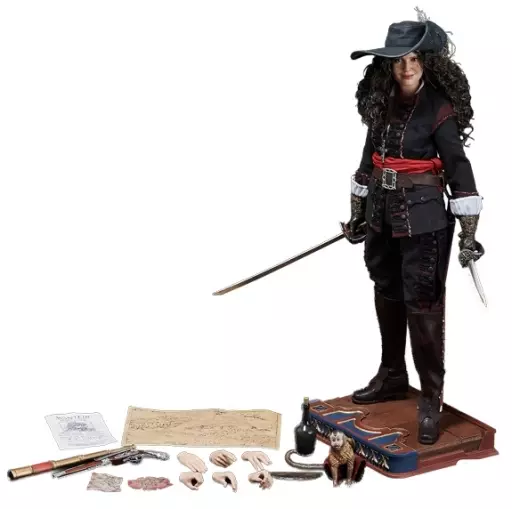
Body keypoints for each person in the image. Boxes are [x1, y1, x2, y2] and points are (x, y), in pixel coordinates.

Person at [342, 8, 484, 445]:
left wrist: (468, 234)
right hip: (382, 215)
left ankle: (431, 398)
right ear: (388, 64)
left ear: (426, 62)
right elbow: (368, 162)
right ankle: (392, 375)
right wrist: (357, 213)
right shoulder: (379, 103)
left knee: (423, 304)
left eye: (414, 59)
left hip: (424, 222)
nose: (406, 67)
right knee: (386, 290)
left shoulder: (439, 109)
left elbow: (459, 169)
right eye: (399, 60)